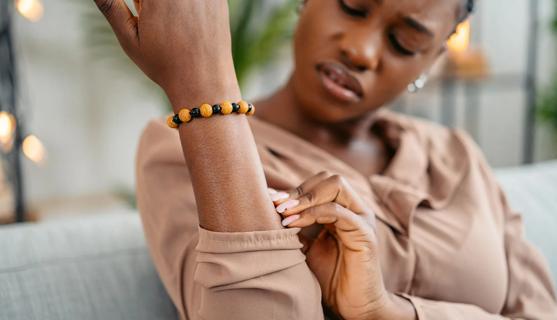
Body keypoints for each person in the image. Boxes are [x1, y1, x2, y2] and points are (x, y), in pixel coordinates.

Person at [94, 0, 557, 319]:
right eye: (352, 5)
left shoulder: (458, 157)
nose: (361, 49)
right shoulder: (182, 147)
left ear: (433, 58)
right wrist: (203, 83)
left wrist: (387, 312)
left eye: (405, 43)